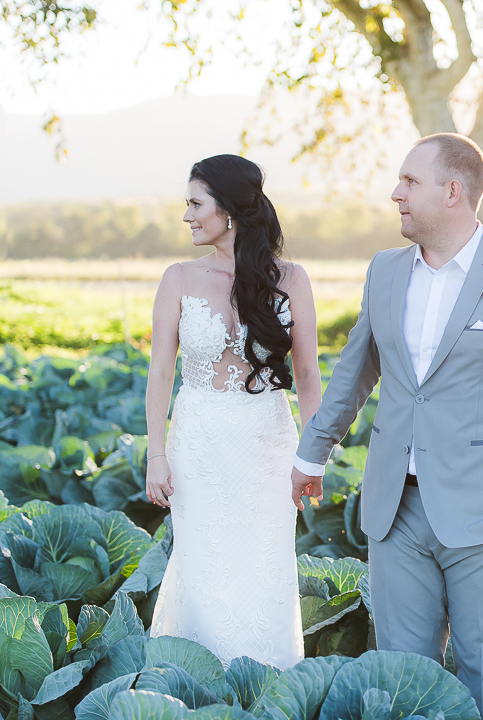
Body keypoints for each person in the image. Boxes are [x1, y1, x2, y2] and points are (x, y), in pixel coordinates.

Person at [290, 133, 483, 714]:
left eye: (409, 181)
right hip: (394, 509)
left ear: (453, 191)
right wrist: (311, 453)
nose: (395, 193)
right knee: (403, 682)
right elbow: (355, 372)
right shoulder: (385, 271)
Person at [145, 154, 321, 669]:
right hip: (198, 445)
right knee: (203, 567)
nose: (187, 216)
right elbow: (161, 373)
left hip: (268, 445)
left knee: (265, 570)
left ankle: (266, 682)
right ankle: (198, 682)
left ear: (229, 209)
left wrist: (314, 457)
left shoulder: (292, 278)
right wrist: (156, 454)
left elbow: (308, 375)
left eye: (196, 204)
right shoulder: (178, 278)